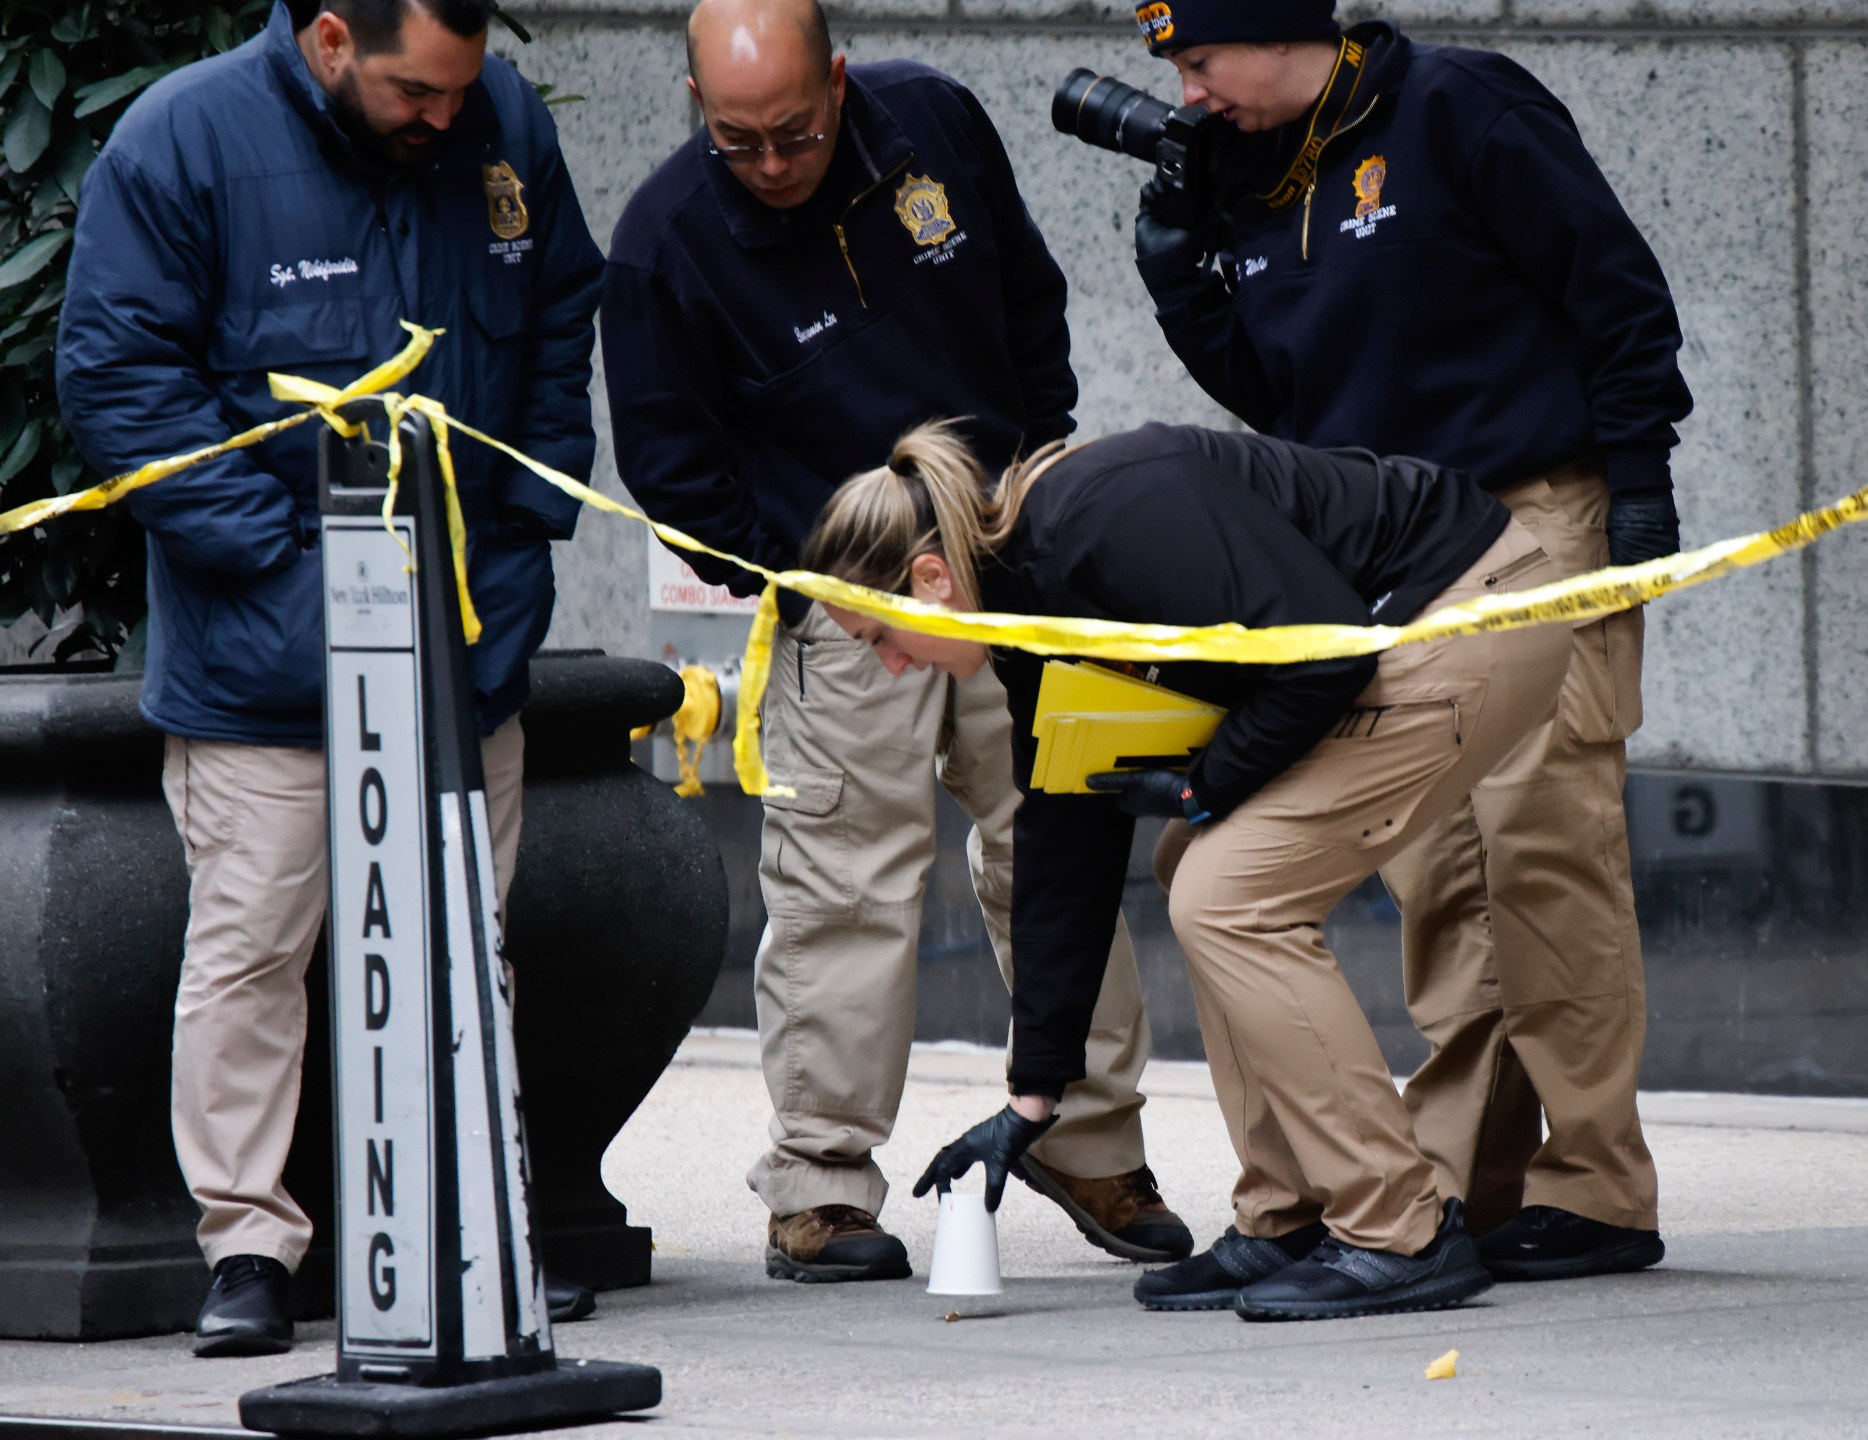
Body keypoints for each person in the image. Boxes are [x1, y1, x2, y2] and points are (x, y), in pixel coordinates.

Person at [600, 0, 1189, 1281]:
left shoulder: (936, 123)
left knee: (1060, 842)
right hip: (841, 605)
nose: (769, 162)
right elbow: (674, 475)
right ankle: (819, 1183)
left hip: (1004, 563)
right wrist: (822, 576)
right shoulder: (664, 245)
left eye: (795, 134)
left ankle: (1091, 1140)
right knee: (841, 890)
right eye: (736, 138)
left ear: (843, 82)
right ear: (696, 101)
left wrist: (1034, 481)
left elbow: (1031, 300)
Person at [54, 0, 604, 1356]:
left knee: (464, 949)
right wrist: (294, 570)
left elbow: (554, 325)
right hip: (267, 662)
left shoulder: (501, 118)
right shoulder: (184, 137)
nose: (444, 117)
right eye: (416, 90)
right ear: (330, 39)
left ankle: (467, 1232)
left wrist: (527, 545)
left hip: (467, 643)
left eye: (461, 91)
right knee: (255, 957)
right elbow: (118, 377)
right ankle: (249, 1247)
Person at [1124, 0, 1691, 1281]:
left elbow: (1613, 284)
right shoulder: (1257, 169)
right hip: (1396, 544)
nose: (1192, 95)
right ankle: (1468, 1193)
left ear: (1272, 27)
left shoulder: (1457, 106)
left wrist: (1638, 471)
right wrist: (1181, 277)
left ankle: (1597, 1186)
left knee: (1544, 848)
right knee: (1437, 872)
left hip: (1536, 505)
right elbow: (1282, 396)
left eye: (1200, 63)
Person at [803, 419, 1573, 1321]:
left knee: (1230, 893)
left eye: (881, 639)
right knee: (1195, 870)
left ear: (930, 582)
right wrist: (1034, 1096)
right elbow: (1064, 827)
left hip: (1468, 604)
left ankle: (1396, 1227)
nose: (892, 667)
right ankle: (1283, 1217)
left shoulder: (1104, 518)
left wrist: (1207, 784)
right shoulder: (1024, 604)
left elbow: (1322, 644)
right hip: (1403, 622)